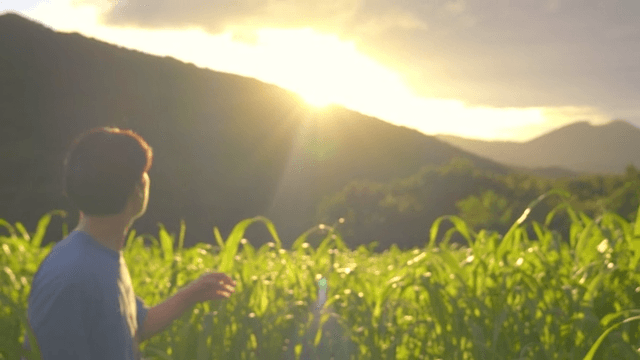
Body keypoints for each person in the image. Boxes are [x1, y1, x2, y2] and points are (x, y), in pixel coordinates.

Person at [21, 127, 236, 360]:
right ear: (138, 189)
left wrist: (189, 295)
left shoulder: (98, 255)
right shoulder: (71, 274)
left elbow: (133, 327)